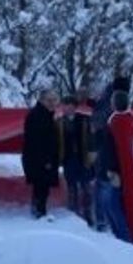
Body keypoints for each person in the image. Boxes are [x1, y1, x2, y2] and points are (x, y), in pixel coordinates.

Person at [95, 90, 133, 243]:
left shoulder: (117, 122)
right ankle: (119, 237)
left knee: (112, 206)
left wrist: (112, 171)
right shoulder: (119, 121)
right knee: (109, 206)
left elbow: (112, 149)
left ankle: (124, 239)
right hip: (107, 170)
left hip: (111, 172)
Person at [22, 89, 61, 220]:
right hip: (40, 161)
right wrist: (47, 160)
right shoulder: (38, 116)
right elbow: (37, 142)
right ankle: (39, 213)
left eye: (54, 100)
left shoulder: (45, 115)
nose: (52, 103)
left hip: (41, 160)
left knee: (42, 188)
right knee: (41, 188)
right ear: (42, 100)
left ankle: (39, 212)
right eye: (49, 100)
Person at [59, 95, 95, 225]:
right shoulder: (59, 122)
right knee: (71, 188)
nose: (65, 108)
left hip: (83, 158)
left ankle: (88, 215)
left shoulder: (85, 120)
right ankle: (74, 217)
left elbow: (92, 138)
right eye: (64, 105)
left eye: (68, 105)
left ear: (74, 107)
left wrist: (91, 154)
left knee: (86, 188)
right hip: (68, 160)